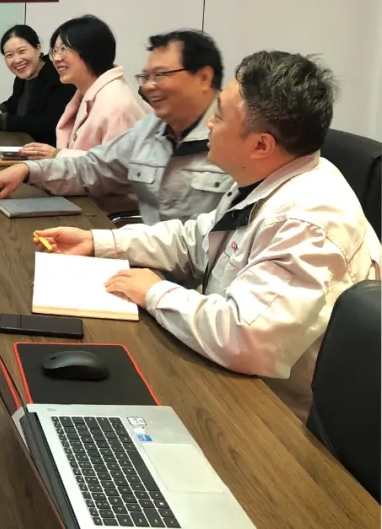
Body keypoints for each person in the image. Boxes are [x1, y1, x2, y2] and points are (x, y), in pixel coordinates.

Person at [34, 51, 381, 420]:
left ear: (261, 145)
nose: (209, 125)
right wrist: (101, 242)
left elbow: (246, 338)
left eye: (219, 115)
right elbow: (196, 241)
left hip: (275, 415)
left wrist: (154, 292)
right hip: (229, 373)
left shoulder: (308, 223)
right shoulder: (265, 176)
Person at [0, 30, 233, 224]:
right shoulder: (151, 128)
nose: (148, 87)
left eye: (161, 75)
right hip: (147, 248)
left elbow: (205, 245)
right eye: (146, 77)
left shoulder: (235, 137)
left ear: (204, 77)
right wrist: (27, 170)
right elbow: (93, 168)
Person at [28, 15, 150, 160]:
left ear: (92, 50)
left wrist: (58, 154)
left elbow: (118, 166)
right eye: (54, 51)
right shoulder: (87, 91)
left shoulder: (116, 102)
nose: (56, 58)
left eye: (63, 49)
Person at [0, 24, 74, 145]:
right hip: (24, 144)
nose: (17, 60)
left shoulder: (58, 78)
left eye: (22, 51)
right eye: (9, 55)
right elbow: (16, 102)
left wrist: (4, 122)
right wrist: (1, 109)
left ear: (38, 48)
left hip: (47, 149)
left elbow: (50, 124)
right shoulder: (23, 77)